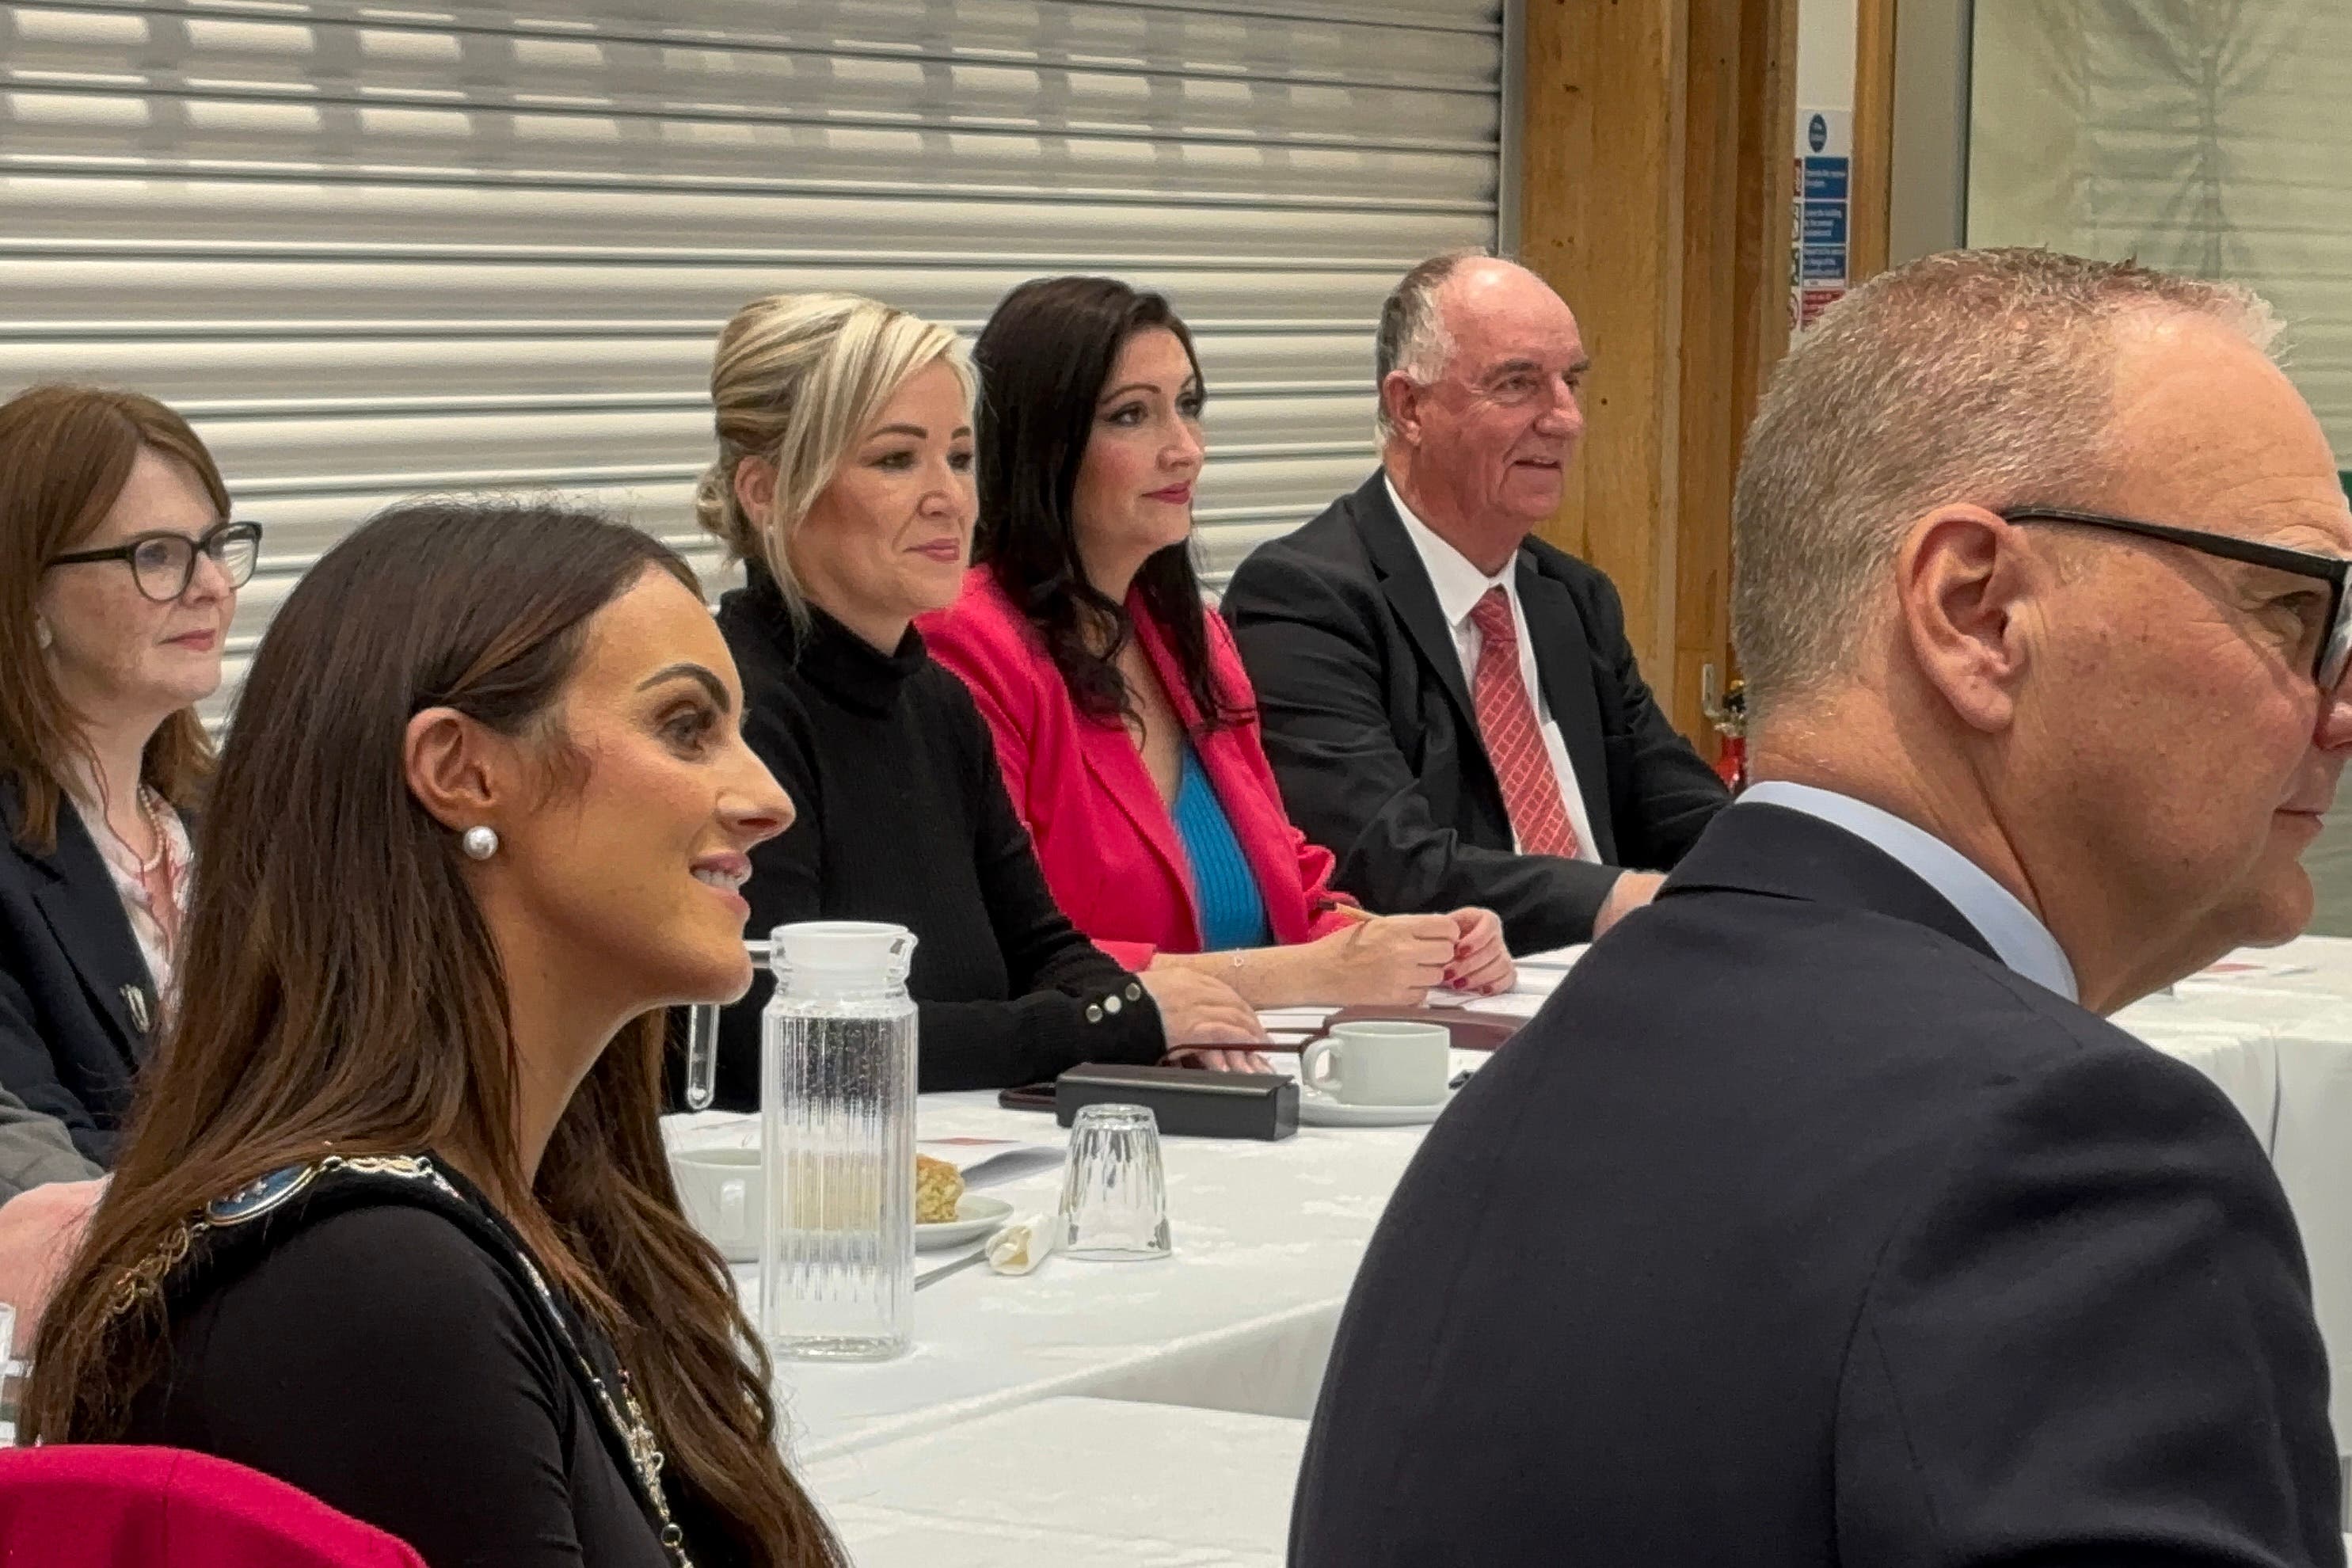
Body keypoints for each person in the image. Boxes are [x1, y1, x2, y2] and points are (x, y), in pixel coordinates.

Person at [1290, 249, 2349, 1566]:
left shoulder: (1541, 1086)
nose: (2336, 703)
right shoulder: (2067, 1157)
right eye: (2292, 609)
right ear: (1979, 612)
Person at [25, 500, 845, 1568]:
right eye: (685, 727)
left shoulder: (555, 1213)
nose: (767, 798)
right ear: (460, 770)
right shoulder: (363, 1287)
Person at [698, 291, 1265, 1105]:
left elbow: (1043, 945)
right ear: (765, 491)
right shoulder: (741, 719)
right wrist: (1115, 1022)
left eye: (960, 459)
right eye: (896, 460)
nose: (949, 498)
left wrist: (1153, 1012)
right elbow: (776, 1039)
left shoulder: (936, 702)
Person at [922, 276, 1513, 1008]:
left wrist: (1407, 942)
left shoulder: (1190, 634)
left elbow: (1286, 884)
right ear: (1043, 442)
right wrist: (1302, 975)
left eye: (1189, 408)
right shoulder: (966, 642)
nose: (1186, 451)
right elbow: (1004, 947)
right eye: (1132, 416)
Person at [1222, 252, 1729, 953]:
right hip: (1444, 1005)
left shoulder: (1573, 598)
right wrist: (1620, 899)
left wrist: (1777, 862)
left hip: (1619, 975)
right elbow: (1384, 865)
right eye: (1519, 385)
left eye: (1571, 382)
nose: (1567, 419)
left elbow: (1675, 803)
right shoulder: (1307, 597)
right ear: (1410, 408)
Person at [0, 385, 255, 1163]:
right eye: (158, 556)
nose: (211, 585)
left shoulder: (238, 820)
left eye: (216, 545)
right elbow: (40, 1164)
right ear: (28, 591)